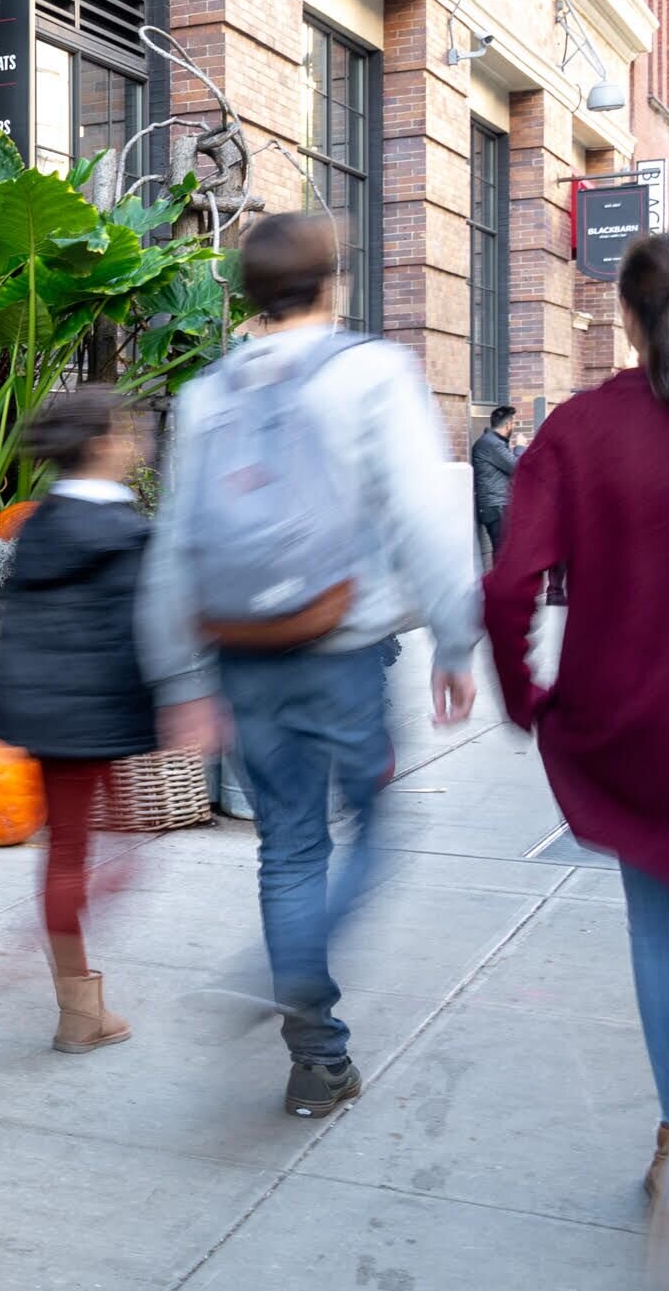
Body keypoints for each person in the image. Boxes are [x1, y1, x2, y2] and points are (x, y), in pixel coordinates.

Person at [139, 211, 480, 1120]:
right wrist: (455, 637)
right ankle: (287, 974)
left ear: (244, 293)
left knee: (287, 846)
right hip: (345, 654)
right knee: (377, 830)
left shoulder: (208, 393)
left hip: (242, 656)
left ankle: (317, 1057)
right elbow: (425, 517)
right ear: (334, 280)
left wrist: (181, 680)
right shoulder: (373, 373)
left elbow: (174, 544)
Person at [483, 231, 669, 1291]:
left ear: (624, 317)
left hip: (636, 720)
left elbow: (507, 582)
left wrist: (527, 696)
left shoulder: (580, 428)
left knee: (664, 926)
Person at [0, 387, 154, 1054]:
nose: (135, 442)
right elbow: (153, 633)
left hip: (45, 718)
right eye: (127, 431)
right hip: (103, 719)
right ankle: (69, 1000)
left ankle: (78, 1007)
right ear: (102, 445)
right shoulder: (131, 534)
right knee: (117, 851)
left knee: (71, 853)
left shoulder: (38, 527)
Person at [472, 404, 519, 555]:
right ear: (508, 424)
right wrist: (520, 448)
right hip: (495, 506)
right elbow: (518, 468)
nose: (514, 428)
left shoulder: (494, 442)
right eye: (514, 424)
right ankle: (501, 579)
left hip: (497, 505)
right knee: (503, 553)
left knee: (505, 552)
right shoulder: (491, 444)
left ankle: (503, 578)